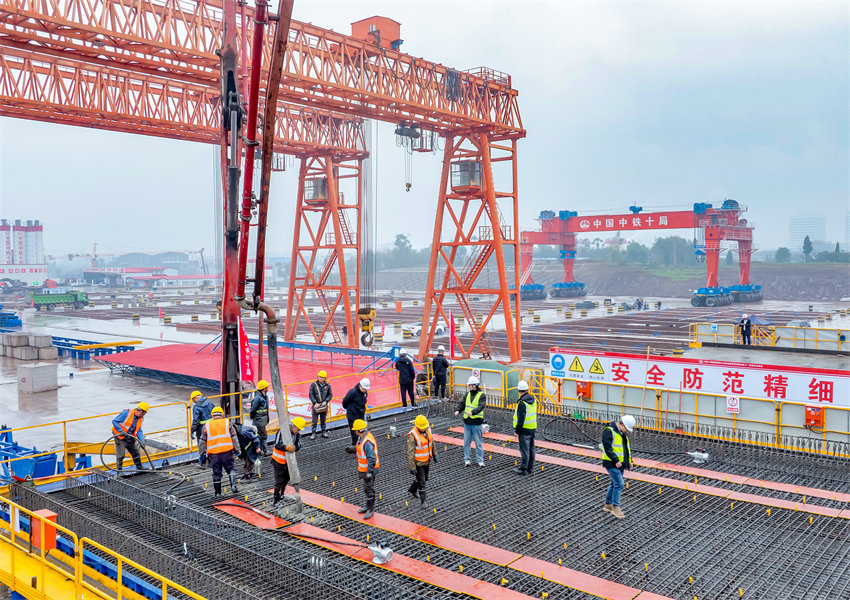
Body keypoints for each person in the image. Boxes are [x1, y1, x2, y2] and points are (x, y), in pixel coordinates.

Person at [199, 407, 242, 496]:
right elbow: (234, 437)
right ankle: (233, 486)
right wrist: (238, 450)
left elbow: (202, 441)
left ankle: (218, 493)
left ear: (212, 415)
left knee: (216, 473)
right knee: (231, 469)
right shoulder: (227, 423)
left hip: (214, 455)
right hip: (227, 452)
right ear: (222, 414)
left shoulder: (206, 425)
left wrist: (202, 454)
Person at [602, 414, 636, 519]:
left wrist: (630, 461)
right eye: (626, 428)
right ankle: (615, 507)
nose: (627, 431)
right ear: (622, 425)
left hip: (621, 464)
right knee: (619, 484)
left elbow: (626, 449)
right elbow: (607, 447)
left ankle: (608, 505)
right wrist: (615, 460)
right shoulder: (609, 431)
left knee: (614, 483)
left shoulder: (623, 434)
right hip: (611, 463)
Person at [272, 417, 305, 506]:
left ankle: (282, 494)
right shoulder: (282, 432)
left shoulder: (297, 434)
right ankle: (276, 499)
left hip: (289, 462)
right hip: (278, 461)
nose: (298, 431)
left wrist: (295, 448)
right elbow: (277, 444)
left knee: (286, 479)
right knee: (279, 481)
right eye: (297, 429)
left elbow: (298, 445)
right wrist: (286, 447)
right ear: (293, 426)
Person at [454, 376, 486, 467]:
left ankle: (480, 460)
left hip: (476, 423)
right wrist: (458, 410)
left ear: (474, 385)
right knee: (466, 443)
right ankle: (467, 460)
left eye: (470, 385)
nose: (468, 387)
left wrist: (473, 412)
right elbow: (462, 404)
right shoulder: (467, 394)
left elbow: (481, 406)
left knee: (478, 443)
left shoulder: (481, 395)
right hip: (467, 422)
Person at [407, 414, 437, 509]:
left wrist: (435, 454)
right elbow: (410, 452)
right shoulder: (413, 436)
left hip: (427, 460)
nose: (424, 429)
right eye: (422, 427)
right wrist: (412, 467)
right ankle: (423, 501)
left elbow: (432, 442)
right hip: (418, 463)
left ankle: (412, 489)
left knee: (424, 478)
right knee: (422, 482)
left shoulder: (428, 430)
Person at [111, 402, 149, 471]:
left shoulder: (140, 418)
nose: (143, 415)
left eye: (144, 414)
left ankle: (139, 467)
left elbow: (139, 430)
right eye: (143, 413)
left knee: (135, 452)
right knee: (121, 455)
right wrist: (120, 430)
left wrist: (142, 441)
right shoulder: (126, 413)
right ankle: (119, 471)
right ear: (139, 410)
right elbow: (114, 421)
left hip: (130, 437)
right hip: (120, 437)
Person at [353, 419, 379, 519]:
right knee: (368, 487)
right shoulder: (362, 437)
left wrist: (369, 472)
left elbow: (372, 458)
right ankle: (368, 506)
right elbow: (362, 449)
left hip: (369, 470)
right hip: (366, 469)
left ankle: (370, 509)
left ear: (358, 430)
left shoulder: (367, 441)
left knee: (368, 488)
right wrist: (353, 449)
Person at [513, 380, 537, 476]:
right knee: (531, 450)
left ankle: (523, 469)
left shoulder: (522, 403)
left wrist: (517, 431)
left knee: (524, 451)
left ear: (519, 391)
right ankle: (530, 468)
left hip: (524, 430)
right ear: (527, 389)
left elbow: (521, 419)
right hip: (532, 428)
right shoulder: (533, 400)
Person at [342, 378, 370, 451]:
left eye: (366, 389)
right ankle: (355, 446)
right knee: (355, 432)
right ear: (360, 386)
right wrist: (351, 410)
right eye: (364, 389)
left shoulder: (364, 393)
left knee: (361, 430)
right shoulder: (352, 392)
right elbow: (344, 403)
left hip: (360, 414)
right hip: (352, 415)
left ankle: (361, 444)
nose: (365, 390)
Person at [309, 370, 332, 440]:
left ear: (325, 378)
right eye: (320, 377)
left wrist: (326, 401)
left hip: (323, 406)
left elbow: (330, 395)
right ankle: (313, 433)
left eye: (323, 377)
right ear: (318, 377)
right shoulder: (313, 385)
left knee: (323, 420)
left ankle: (323, 432)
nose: (321, 378)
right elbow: (311, 394)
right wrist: (315, 403)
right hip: (316, 406)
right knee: (314, 421)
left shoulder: (327, 386)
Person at [249, 380, 271, 455]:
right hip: (259, 420)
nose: (268, 388)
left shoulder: (264, 397)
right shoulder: (258, 398)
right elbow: (253, 409)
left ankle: (259, 448)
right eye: (267, 387)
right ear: (264, 388)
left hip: (263, 419)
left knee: (260, 434)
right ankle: (265, 451)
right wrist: (252, 416)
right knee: (264, 435)